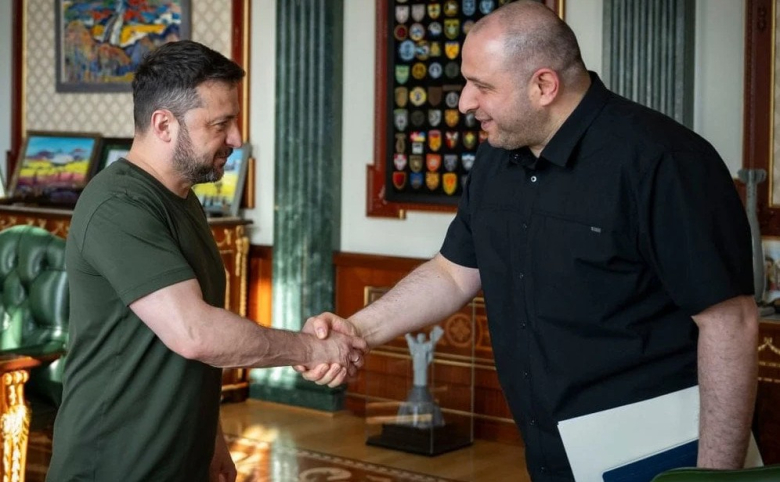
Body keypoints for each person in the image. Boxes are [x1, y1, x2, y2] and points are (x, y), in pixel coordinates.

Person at [296, 2, 759, 480]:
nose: (464, 102)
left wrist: (715, 478)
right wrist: (357, 330)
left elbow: (729, 323)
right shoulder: (496, 158)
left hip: (661, 453)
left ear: (544, 86)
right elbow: (452, 273)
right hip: (548, 447)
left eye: (482, 86)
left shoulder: (664, 161)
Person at [47, 40, 367, 482]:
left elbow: (190, 350)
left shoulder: (182, 199)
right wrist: (312, 348)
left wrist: (211, 440)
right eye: (221, 124)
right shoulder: (117, 205)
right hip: (112, 465)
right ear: (164, 125)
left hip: (180, 460)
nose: (236, 139)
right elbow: (195, 334)